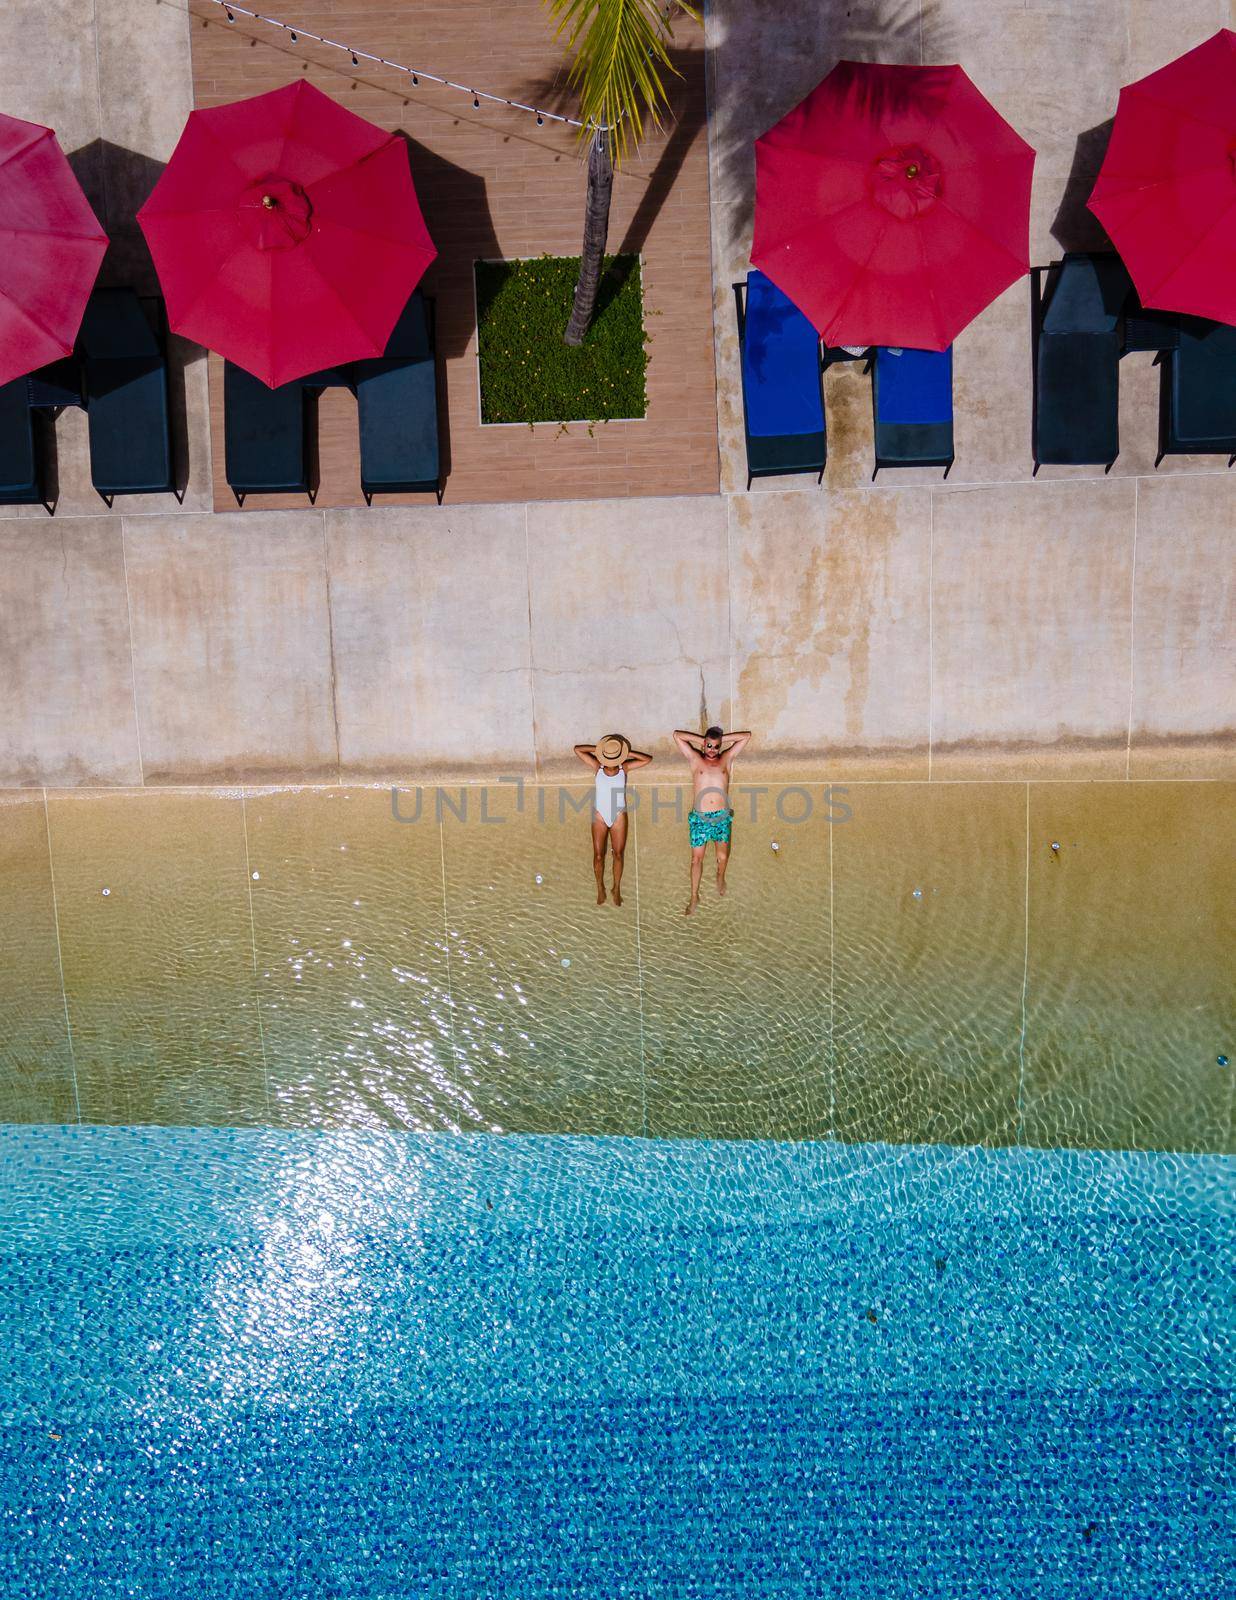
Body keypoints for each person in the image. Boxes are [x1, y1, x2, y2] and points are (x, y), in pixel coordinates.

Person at [672, 724, 752, 916]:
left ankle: (720, 876)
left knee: (722, 857)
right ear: (703, 745)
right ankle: (694, 896)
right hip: (699, 818)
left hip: (721, 818)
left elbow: (746, 737)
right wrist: (705, 741)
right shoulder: (695, 759)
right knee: (696, 860)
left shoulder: (726, 758)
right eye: (709, 746)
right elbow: (677, 736)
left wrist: (719, 741)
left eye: (716, 747)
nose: (712, 750)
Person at [572, 733, 652, 906]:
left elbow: (647, 759)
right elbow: (577, 750)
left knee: (618, 855)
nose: (611, 761)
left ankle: (616, 888)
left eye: (614, 757)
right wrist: (601, 752)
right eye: (608, 757)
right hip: (599, 815)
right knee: (598, 856)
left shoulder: (624, 768)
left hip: (618, 816)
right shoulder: (597, 766)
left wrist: (624, 754)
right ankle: (600, 886)